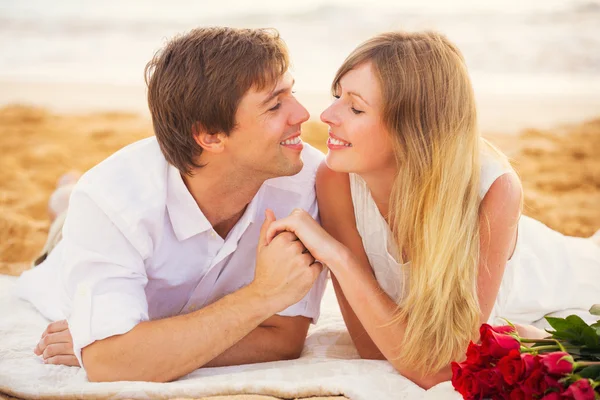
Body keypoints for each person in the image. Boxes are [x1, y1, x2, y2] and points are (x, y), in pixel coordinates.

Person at [264, 31, 600, 389]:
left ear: (412, 126)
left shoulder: (493, 188)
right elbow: (371, 348)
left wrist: (338, 257)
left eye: (355, 107)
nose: (327, 115)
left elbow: (439, 370)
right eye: (337, 96)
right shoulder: (335, 178)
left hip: (564, 276)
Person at [16, 27, 328, 383]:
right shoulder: (108, 200)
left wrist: (142, 349)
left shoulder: (305, 178)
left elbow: (282, 339)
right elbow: (108, 363)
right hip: (67, 252)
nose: (302, 113)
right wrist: (261, 297)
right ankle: (64, 198)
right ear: (210, 135)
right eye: (275, 104)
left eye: (292, 93)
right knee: (67, 214)